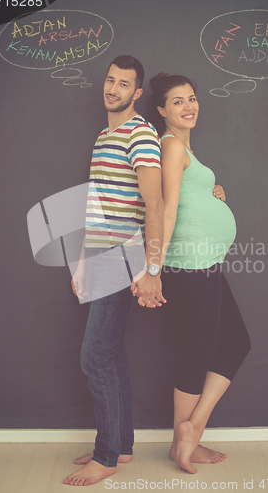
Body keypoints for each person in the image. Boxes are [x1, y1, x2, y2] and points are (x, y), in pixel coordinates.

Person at [138, 73, 251, 474]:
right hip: (189, 264)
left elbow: (187, 195)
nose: (189, 106)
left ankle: (188, 434)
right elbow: (167, 209)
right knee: (199, 351)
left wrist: (212, 192)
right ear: (161, 109)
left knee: (233, 342)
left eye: (191, 99)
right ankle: (186, 437)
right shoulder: (170, 144)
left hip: (204, 263)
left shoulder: (185, 148)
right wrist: (153, 268)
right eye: (177, 101)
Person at [63, 56, 165, 487]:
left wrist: (153, 268)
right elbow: (99, 208)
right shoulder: (105, 135)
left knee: (95, 355)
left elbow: (155, 205)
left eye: (124, 84)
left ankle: (105, 457)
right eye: (110, 80)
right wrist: (84, 262)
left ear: (136, 93)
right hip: (102, 257)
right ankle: (121, 446)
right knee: (113, 352)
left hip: (126, 258)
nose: (114, 88)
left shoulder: (140, 134)